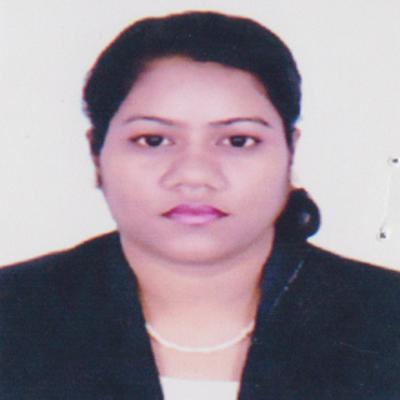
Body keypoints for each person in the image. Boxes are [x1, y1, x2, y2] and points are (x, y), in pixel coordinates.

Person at [0, 11, 399, 400]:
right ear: (96, 154)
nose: (194, 176)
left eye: (238, 141)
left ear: (290, 154)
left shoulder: (386, 317)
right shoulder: (13, 313)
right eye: (153, 140)